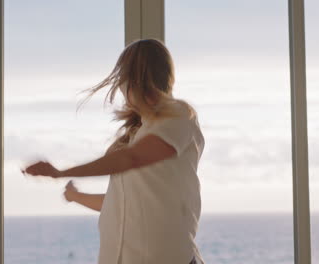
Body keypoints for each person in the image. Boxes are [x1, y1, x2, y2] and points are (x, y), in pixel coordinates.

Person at [22, 38, 205, 264]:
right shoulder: (134, 135)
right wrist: (76, 196)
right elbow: (121, 204)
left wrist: (61, 173)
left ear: (133, 82)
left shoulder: (179, 116)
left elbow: (132, 158)